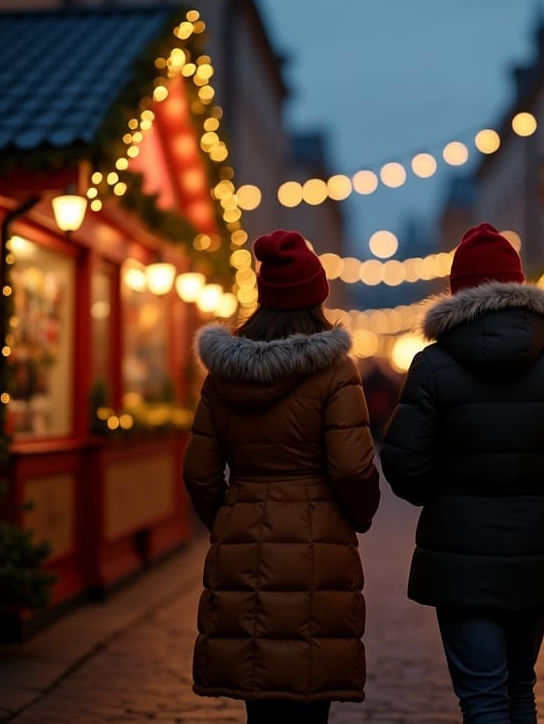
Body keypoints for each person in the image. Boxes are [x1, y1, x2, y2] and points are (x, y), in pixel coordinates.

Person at [380, 222, 544, 724]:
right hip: (534, 548)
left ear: (457, 293)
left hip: (459, 554)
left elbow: (403, 460)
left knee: (483, 696)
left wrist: (441, 499)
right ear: (519, 286)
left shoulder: (433, 366)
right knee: (519, 688)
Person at [182, 229, 381, 724]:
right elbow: (354, 466)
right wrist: (357, 516)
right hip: (319, 540)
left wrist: (231, 519)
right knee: (311, 696)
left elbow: (200, 474)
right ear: (317, 297)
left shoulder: (222, 374)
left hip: (243, 538)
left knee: (259, 696)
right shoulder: (335, 371)